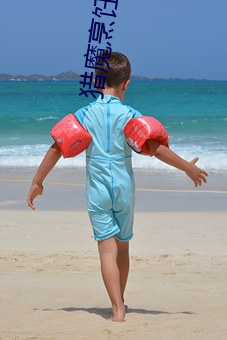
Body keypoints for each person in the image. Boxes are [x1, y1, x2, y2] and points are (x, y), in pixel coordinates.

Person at [27, 52, 208, 322]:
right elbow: (155, 148)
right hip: (124, 190)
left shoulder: (85, 114)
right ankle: (120, 300)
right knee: (122, 248)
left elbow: (57, 148)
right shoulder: (131, 116)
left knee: (106, 250)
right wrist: (187, 168)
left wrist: (37, 181)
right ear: (126, 84)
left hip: (97, 191)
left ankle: (117, 309)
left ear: (98, 81)